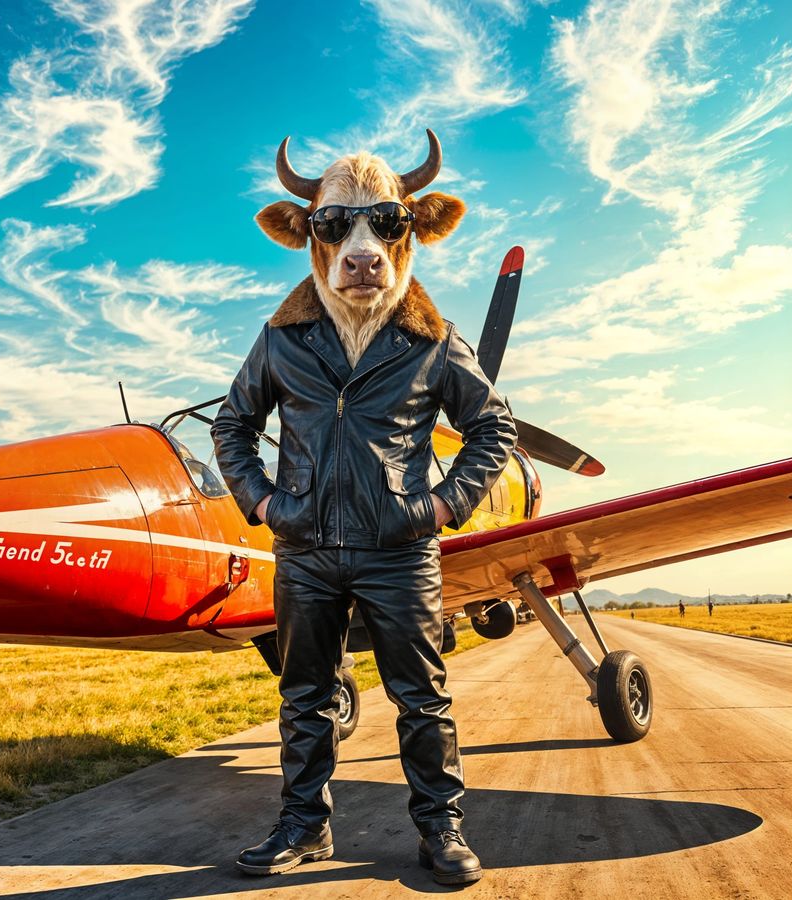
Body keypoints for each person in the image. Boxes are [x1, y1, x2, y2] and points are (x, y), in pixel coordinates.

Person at [213, 131, 516, 888]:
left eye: (386, 223)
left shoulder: (432, 340)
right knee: (304, 697)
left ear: (413, 230)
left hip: (399, 549)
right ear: (306, 233)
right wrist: (266, 504)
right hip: (306, 550)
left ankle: (441, 829)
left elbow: (493, 428)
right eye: (333, 224)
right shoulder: (281, 339)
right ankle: (303, 827)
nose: (361, 249)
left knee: (421, 696)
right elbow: (232, 426)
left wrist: (439, 507)